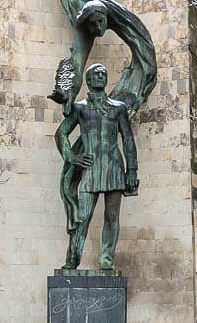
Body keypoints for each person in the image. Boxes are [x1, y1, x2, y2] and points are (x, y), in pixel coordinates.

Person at [55, 63, 138, 270]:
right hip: (90, 169)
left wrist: (132, 171)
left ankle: (106, 259)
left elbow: (128, 139)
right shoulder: (79, 108)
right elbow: (61, 132)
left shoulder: (118, 108)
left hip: (114, 168)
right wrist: (71, 156)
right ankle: (72, 260)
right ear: (89, 81)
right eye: (96, 74)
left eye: (104, 73)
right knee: (82, 218)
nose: (100, 76)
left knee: (112, 217)